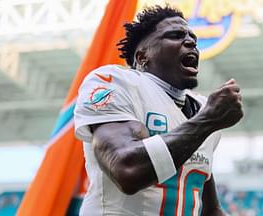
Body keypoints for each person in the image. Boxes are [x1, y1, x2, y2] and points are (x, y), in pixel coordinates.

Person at [74, 5, 243, 216]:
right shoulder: (115, 82)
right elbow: (127, 170)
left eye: (193, 39)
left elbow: (209, 209)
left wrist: (207, 120)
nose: (190, 42)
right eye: (175, 36)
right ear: (142, 56)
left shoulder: (201, 108)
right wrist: (208, 121)